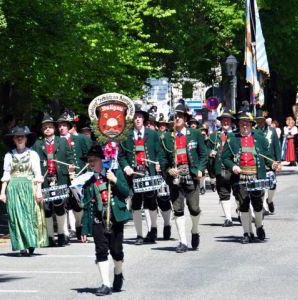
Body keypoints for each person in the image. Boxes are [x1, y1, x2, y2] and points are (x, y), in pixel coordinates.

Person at [223, 109, 281, 244]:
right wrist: (233, 166)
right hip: (240, 177)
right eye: (242, 123)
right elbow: (225, 158)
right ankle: (246, 233)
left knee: (258, 205)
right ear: (238, 124)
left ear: (251, 125)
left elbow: (267, 157)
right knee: (243, 205)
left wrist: (273, 165)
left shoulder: (259, 137)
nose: (245, 126)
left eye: (247, 123)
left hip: (256, 176)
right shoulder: (232, 138)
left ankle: (259, 226)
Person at [80, 145, 131, 296]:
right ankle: (105, 284)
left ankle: (118, 272)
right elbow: (86, 205)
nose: (91, 163)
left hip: (115, 217)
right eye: (89, 161)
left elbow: (125, 192)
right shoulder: (88, 182)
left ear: (102, 160)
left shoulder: (114, 173)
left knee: (116, 251)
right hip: (98, 219)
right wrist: (83, 229)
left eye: (94, 160)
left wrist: (114, 180)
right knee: (101, 251)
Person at [161, 102, 208, 253]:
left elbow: (204, 154)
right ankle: (183, 241)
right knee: (178, 209)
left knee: (194, 209)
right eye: (176, 116)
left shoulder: (195, 134)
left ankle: (195, 230)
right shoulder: (167, 137)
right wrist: (168, 170)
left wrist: (200, 169)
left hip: (191, 175)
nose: (178, 118)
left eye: (180, 116)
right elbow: (162, 159)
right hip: (175, 178)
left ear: (186, 118)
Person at [118, 104, 165, 245]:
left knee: (151, 202)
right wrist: (126, 166)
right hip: (133, 174)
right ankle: (139, 235)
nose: (137, 119)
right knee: (136, 204)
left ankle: (153, 230)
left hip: (148, 172)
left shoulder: (153, 134)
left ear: (144, 119)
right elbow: (121, 156)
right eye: (135, 117)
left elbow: (160, 153)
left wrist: (158, 164)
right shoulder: (125, 136)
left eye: (140, 117)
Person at [0, 126, 49, 256]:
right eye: (17, 137)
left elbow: (38, 174)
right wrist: (2, 192)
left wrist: (38, 191)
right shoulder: (9, 155)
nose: (20, 138)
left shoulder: (32, 154)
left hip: (29, 186)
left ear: (26, 138)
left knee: (30, 215)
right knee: (16, 216)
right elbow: (6, 175)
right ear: (14, 140)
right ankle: (21, 245)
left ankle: (31, 242)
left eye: (22, 136)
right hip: (13, 188)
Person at [32, 113, 76, 247]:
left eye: (50, 126)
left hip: (60, 177)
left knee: (60, 206)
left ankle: (62, 234)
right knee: (46, 208)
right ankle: (50, 236)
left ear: (54, 128)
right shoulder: (37, 144)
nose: (48, 129)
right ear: (42, 129)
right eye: (45, 127)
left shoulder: (62, 141)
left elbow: (69, 156)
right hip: (45, 179)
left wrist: (71, 165)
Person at [57, 111, 92, 240]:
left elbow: (89, 155)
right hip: (62, 177)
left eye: (64, 125)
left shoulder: (81, 139)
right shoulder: (56, 141)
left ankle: (79, 226)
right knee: (63, 204)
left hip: (79, 176)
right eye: (59, 126)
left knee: (78, 204)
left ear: (69, 127)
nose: (61, 128)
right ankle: (65, 232)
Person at [207, 108, 236, 226]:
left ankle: (241, 212)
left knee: (239, 192)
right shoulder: (214, 136)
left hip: (234, 168)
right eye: (224, 120)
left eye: (228, 120)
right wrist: (210, 152)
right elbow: (206, 149)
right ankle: (228, 218)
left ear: (231, 121)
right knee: (223, 192)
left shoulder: (236, 135)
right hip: (220, 168)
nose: (225, 122)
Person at [255, 109, 281, 213]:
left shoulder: (272, 131)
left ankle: (269, 200)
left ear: (265, 121)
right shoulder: (254, 132)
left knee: (272, 184)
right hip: (260, 162)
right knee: (261, 185)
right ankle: (262, 207)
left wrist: (278, 161)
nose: (259, 122)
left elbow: (276, 146)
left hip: (271, 160)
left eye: (261, 120)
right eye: (258, 121)